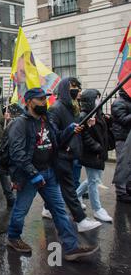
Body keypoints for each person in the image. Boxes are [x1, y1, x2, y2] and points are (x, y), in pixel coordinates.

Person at [6, 88, 99, 261]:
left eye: (45, 99)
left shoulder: (46, 119)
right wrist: (33, 174)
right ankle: (13, 237)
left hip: (48, 173)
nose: (44, 102)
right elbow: (17, 153)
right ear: (28, 102)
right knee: (21, 210)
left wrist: (70, 130)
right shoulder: (20, 123)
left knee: (59, 210)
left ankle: (71, 247)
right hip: (29, 175)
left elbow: (57, 140)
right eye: (39, 99)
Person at [47, 78, 101, 232]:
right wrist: (70, 129)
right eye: (73, 87)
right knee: (69, 188)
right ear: (65, 89)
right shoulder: (55, 109)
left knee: (57, 186)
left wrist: (84, 126)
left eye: (78, 87)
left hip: (70, 154)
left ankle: (46, 208)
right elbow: (54, 137)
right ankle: (80, 220)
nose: (77, 90)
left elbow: (76, 131)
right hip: (61, 155)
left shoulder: (73, 108)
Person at [76, 89, 113, 222]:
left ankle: (75, 196)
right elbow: (84, 136)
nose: (99, 100)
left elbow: (103, 132)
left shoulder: (98, 113)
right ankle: (97, 210)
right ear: (90, 100)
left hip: (99, 153)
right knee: (93, 181)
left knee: (94, 179)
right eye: (96, 98)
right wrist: (96, 147)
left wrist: (107, 120)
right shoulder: (84, 115)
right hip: (91, 154)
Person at [111, 88, 131, 203]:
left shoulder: (128, 101)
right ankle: (121, 192)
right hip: (122, 138)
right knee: (122, 164)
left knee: (129, 164)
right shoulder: (118, 102)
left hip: (128, 137)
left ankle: (128, 188)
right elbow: (123, 120)